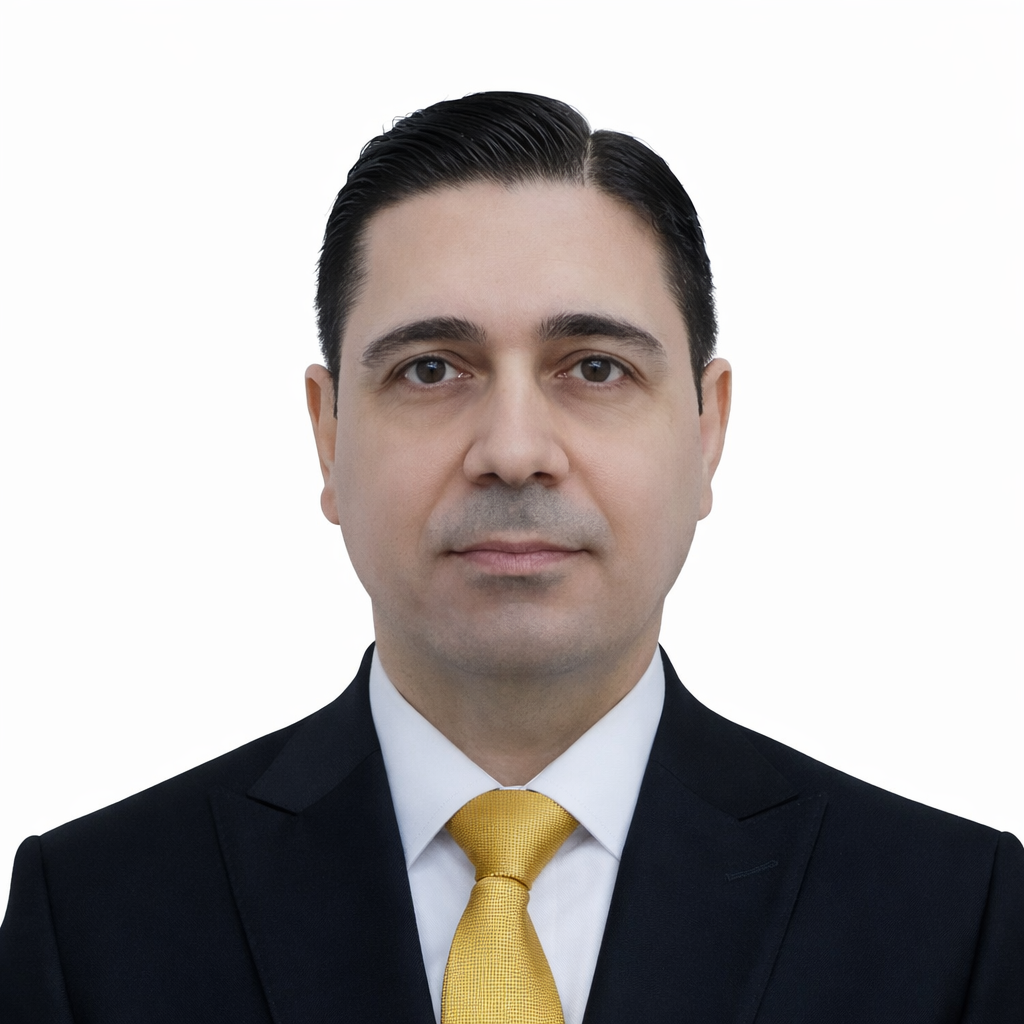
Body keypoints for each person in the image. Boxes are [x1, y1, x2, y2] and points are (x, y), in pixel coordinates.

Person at [0, 91, 1020, 1022]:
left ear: (707, 431)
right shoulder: (90, 915)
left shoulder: (954, 917)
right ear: (327, 432)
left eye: (595, 368)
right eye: (430, 369)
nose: (515, 450)